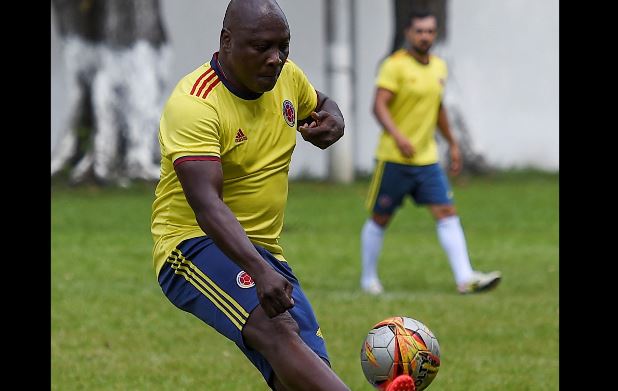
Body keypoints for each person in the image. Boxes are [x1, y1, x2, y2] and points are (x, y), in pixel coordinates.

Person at [151, 1, 414, 390]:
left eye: (283, 47)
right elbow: (207, 206)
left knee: (306, 369)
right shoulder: (194, 104)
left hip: (264, 252)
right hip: (192, 245)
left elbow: (320, 103)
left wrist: (334, 119)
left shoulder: (286, 78)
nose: (276, 59)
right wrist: (259, 272)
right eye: (262, 48)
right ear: (227, 41)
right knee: (277, 331)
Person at [360, 10, 501, 295]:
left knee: (447, 211)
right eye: (419, 31)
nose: (425, 36)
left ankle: (465, 278)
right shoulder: (394, 66)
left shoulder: (439, 67)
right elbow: (379, 105)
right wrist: (399, 136)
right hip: (394, 159)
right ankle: (368, 279)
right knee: (380, 218)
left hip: (427, 159)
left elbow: (437, 109)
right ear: (409, 34)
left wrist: (453, 142)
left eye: (430, 31)